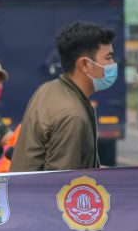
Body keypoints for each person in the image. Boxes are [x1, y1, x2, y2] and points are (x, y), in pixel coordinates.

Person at [10, 21, 117, 172]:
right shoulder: (71, 115)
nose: (113, 64)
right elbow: (61, 185)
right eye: (108, 58)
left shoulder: (48, 89)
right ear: (85, 64)